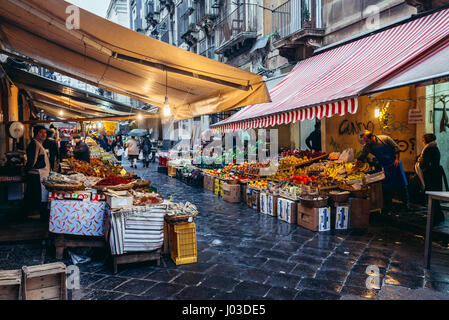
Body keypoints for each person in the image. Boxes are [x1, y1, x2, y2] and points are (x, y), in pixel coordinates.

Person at [357, 130, 409, 213]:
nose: (366, 143)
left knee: (401, 184)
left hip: (395, 164)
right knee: (386, 186)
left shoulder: (385, 139)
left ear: (372, 137)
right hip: (384, 166)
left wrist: (396, 159)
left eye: (367, 141)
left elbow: (396, 148)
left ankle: (405, 204)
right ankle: (389, 206)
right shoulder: (368, 146)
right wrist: (357, 164)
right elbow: (363, 155)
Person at [417, 133, 446, 225]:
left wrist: (419, 161)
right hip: (435, 175)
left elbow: (424, 164)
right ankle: (438, 216)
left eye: (423, 140)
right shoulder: (434, 147)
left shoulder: (428, 149)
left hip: (430, 176)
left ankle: (436, 217)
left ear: (426, 140)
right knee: (435, 197)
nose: (422, 142)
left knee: (431, 196)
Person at [24, 125, 51, 218]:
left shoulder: (39, 144)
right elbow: (32, 160)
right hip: (36, 175)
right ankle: (35, 215)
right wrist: (26, 170)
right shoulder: (34, 144)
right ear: (36, 133)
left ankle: (37, 213)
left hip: (41, 174)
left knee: (38, 196)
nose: (44, 134)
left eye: (45, 132)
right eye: (41, 132)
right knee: (37, 196)